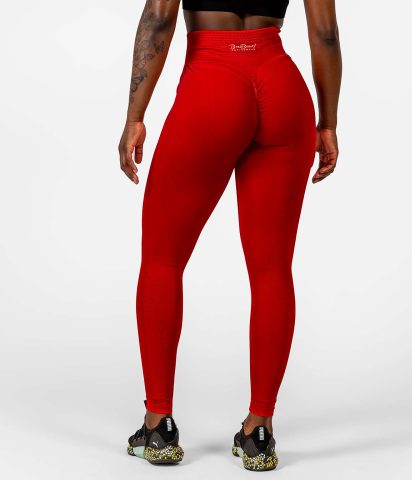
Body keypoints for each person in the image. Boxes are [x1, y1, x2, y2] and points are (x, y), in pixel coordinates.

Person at [118, 0, 341, 471]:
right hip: (282, 87)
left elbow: (159, 18)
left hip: (212, 84)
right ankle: (259, 431)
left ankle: (158, 426)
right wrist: (328, 123)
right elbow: (324, 35)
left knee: (162, 258)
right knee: (272, 269)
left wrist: (135, 115)